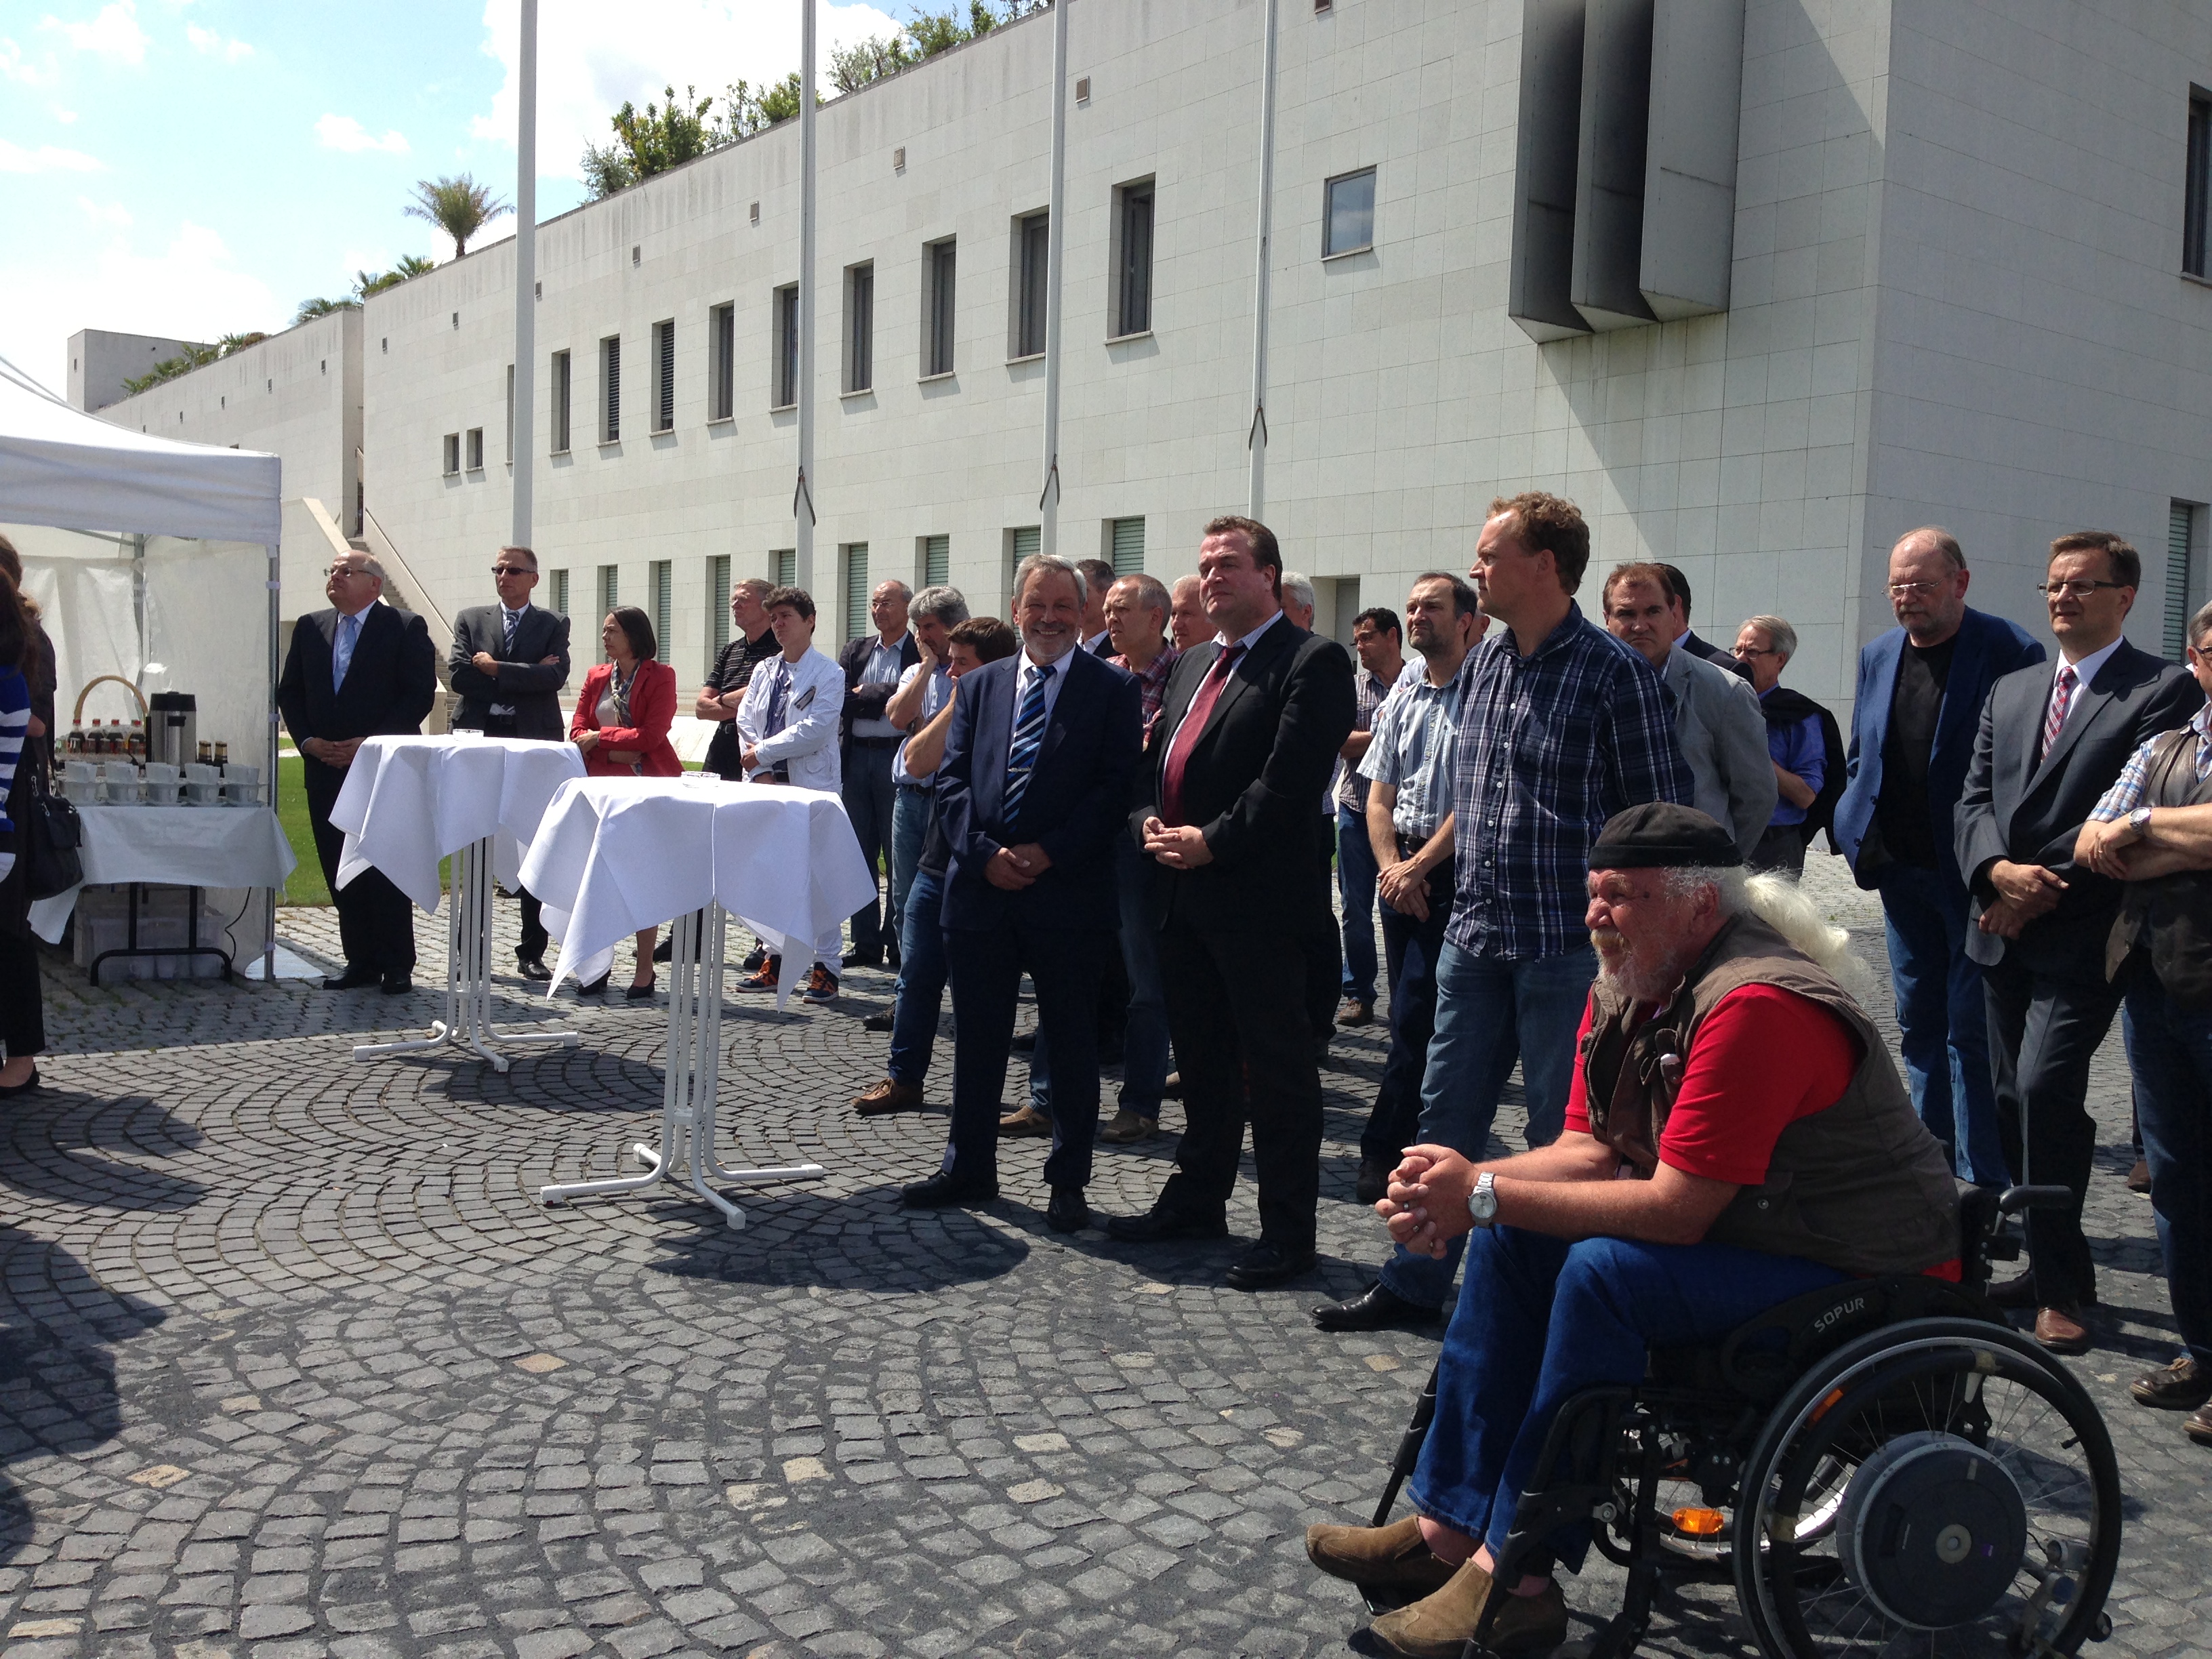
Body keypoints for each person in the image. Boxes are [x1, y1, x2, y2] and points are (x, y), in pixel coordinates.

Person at [1304, 804, 1961, 1659]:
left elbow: (1676, 1211)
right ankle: (1448, 1530)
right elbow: (1585, 1153)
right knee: (1513, 1234)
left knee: (1603, 1273)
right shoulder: (1632, 979)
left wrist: (1482, 1195)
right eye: (1593, 893)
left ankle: (1519, 1576)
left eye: (1619, 895)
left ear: (1698, 903)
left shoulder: (1756, 1003)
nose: (1594, 916)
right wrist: (1455, 1189)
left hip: (1859, 1271)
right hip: (1760, 1236)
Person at [1319, 495, 1690, 1334]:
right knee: (1442, 1122)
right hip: (1476, 936)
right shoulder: (1484, 663)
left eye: (1490, 555)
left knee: (1564, 1141)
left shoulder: (1614, 675)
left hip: (1571, 952)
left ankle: (1552, 1307)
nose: (1476, 567)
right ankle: (1415, 1282)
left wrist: (1635, 945)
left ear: (1545, 566)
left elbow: (1660, 822)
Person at [1954, 530, 2201, 1355]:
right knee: (2005, 1101)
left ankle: (2064, 1288)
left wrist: (2030, 891)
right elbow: (1973, 798)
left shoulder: (2160, 689)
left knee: (2045, 1090)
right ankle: (2040, 1264)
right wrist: (1993, 872)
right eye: (2054, 585)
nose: (2062, 597)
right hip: (1998, 927)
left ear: (2125, 597)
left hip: (2085, 933)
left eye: (2082, 585)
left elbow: (2121, 821)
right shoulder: (2015, 687)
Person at [1108, 516, 1356, 1291]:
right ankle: (1198, 1199)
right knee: (1203, 1064)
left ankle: (1288, 1233)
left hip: (1262, 908)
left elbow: (1290, 783)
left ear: (1269, 577)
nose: (1212, 577)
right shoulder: (1191, 663)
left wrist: (1211, 841)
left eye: (1229, 565)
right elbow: (1152, 764)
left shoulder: (1312, 661)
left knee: (1277, 1076)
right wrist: (1148, 824)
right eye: (1205, 565)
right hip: (1181, 899)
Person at [900, 556, 1142, 1231]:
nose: (1050, 618)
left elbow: (1114, 789)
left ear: (1082, 614)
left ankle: (1068, 1182)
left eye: (1064, 606)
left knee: (1070, 1046)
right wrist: (983, 856)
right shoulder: (980, 686)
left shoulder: (1113, 689)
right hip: (980, 893)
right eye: (1038, 605)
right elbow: (951, 782)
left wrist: (1049, 851)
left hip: (1067, 895)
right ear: (1016, 611)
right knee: (977, 1040)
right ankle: (968, 1166)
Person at [1832, 527, 2044, 1186]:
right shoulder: (1879, 653)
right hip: (1901, 871)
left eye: (1922, 585)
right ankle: (1930, 1171)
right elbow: (1865, 750)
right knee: (1918, 1021)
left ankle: (1984, 1184)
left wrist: (2003, 867)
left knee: (1971, 1031)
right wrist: (1852, 823)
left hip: (1974, 876)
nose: (1908, 597)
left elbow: (2025, 770)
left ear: (1960, 582)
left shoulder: (2009, 650)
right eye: (1898, 586)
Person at [2076, 597, 2212, 1448]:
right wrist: (2162, 834)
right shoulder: (2164, 745)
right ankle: (2202, 1351)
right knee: (2177, 1182)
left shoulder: (2157, 769)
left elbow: (2128, 834)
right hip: (2156, 987)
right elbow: (2094, 842)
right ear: (2197, 660)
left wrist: (2147, 827)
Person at [1325, 574, 1485, 1227]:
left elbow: (1479, 796)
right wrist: (1394, 869)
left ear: (1467, 620)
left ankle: (1397, 1147)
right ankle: (1408, 1142)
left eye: (1432, 607)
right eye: (1413, 606)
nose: (1418, 616)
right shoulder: (1407, 689)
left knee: (1429, 1015)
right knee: (1410, 1013)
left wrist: (1419, 868)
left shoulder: (1487, 688)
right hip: (1403, 872)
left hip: (1456, 871)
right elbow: (1378, 793)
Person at [851, 616, 1019, 1115]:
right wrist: (956, 702)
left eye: (961, 664)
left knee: (980, 991)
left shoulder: (1017, 711)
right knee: (917, 974)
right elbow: (915, 762)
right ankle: (904, 1079)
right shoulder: (956, 706)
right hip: (936, 860)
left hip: (986, 869)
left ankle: (983, 1096)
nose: (950, 672)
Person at [279, 550, 438, 994]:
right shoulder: (311, 627)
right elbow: (290, 693)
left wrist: (370, 744)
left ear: (374, 584)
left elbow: (417, 695)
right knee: (338, 864)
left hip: (381, 767)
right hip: (325, 766)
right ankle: (360, 960)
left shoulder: (404, 627)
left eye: (346, 571)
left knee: (383, 862)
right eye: (331, 571)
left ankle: (396, 963)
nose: (335, 577)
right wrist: (308, 742)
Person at [447, 545, 571, 979]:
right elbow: (459, 675)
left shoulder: (552, 623)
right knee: (477, 845)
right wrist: (524, 673)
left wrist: (495, 668)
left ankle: (531, 952)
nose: (504, 576)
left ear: (534, 578)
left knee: (532, 844)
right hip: (479, 740)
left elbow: (555, 677)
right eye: (498, 569)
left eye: (513, 570)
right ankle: (468, 952)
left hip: (532, 744)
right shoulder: (471, 619)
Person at [1600, 562, 1774, 858]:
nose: (1640, 626)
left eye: (1653, 611)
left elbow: (1757, 795)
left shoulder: (1724, 691)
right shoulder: (1590, 684)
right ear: (1607, 619)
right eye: (1626, 614)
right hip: (1609, 866)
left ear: (1674, 614)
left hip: (1693, 870)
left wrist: (1719, 863)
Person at [861, 585, 969, 1033]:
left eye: (930, 627)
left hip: (951, 800)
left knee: (956, 903)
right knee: (906, 899)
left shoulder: (974, 671)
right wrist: (925, 669)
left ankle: (965, 999)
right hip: (910, 799)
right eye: (919, 628)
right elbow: (898, 718)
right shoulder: (916, 670)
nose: (923, 636)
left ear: (954, 626)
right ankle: (908, 997)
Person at [733, 586, 848, 1003]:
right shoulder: (764, 670)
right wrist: (760, 770)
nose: (779, 624)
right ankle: (776, 958)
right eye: (774, 618)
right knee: (772, 873)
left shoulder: (829, 673)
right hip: (765, 785)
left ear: (810, 621)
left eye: (787, 617)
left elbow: (815, 730)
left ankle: (826, 966)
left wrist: (762, 753)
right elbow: (745, 720)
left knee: (817, 876)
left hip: (811, 785)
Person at [1099, 573, 1179, 1144]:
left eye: (1121, 608)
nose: (1110, 618)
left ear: (1156, 617)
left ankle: (1140, 1104)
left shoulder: (1186, 677)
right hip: (1090, 839)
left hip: (1145, 845)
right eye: (1106, 608)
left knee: (1147, 982)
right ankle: (1050, 1099)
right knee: (1076, 972)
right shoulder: (1102, 674)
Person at [569, 606, 680, 998]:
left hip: (647, 790)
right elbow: (577, 731)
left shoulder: (661, 676)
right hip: (601, 788)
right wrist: (615, 751)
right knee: (596, 879)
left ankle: (644, 969)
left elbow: (652, 736)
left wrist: (600, 739)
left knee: (640, 879)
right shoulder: (596, 675)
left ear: (634, 635)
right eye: (604, 630)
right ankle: (595, 967)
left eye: (612, 630)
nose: (605, 637)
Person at [1282, 571, 1347, 1052]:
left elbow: (1326, 748)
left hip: (1311, 817)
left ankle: (1317, 1026)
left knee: (1314, 924)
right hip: (1270, 823)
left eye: (1281, 607)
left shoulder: (1321, 659)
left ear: (1306, 612)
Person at [838, 578, 919, 969]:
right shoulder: (856, 649)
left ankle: (898, 941)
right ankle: (865, 941)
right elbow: (840, 696)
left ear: (907, 608)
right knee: (859, 852)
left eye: (886, 603)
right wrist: (884, 695)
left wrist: (866, 694)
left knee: (898, 854)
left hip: (896, 757)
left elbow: (906, 700)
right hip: (856, 758)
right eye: (874, 603)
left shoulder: (918, 651)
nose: (878, 610)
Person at [1733, 613, 1846, 877]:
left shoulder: (1799, 716)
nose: (1740, 659)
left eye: (1752, 652)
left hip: (1773, 846)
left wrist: (1756, 755)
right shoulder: (1721, 704)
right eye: (1737, 650)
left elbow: (1806, 795)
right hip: (1723, 838)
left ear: (1780, 659)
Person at [1336, 605, 1405, 1028]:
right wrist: (1385, 732)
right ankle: (1359, 994)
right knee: (1355, 909)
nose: (1359, 647)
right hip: (1355, 808)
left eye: (1367, 638)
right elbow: (1342, 743)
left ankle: (1403, 999)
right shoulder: (1352, 687)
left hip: (1401, 817)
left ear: (1392, 636)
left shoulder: (1418, 681)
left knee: (1398, 907)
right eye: (1356, 640)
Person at [0, 565, 45, 1097]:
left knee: (10, 937)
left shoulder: (23, 653)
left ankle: (22, 1056)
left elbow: (37, 721)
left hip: (13, 806)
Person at [697, 577, 781, 780]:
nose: (735, 605)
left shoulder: (780, 650)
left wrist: (721, 699)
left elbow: (766, 695)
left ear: (766, 607)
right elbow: (701, 708)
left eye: (743, 600)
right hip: (722, 746)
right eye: (733, 600)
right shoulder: (730, 650)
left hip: (756, 746)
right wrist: (746, 706)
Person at [1654, 562, 1751, 680]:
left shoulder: (1726, 672)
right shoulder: (1635, 666)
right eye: (1633, 613)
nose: (1638, 626)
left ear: (1675, 606)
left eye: (1652, 610)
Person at [1076, 558, 1117, 655]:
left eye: (1081, 592)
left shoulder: (1125, 651)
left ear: (1108, 595)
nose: (1072, 599)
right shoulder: (1064, 648)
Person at [1168, 574, 1210, 651]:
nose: (1176, 624)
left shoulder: (1231, 656)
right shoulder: (1163, 658)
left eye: (1186, 614)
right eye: (1173, 614)